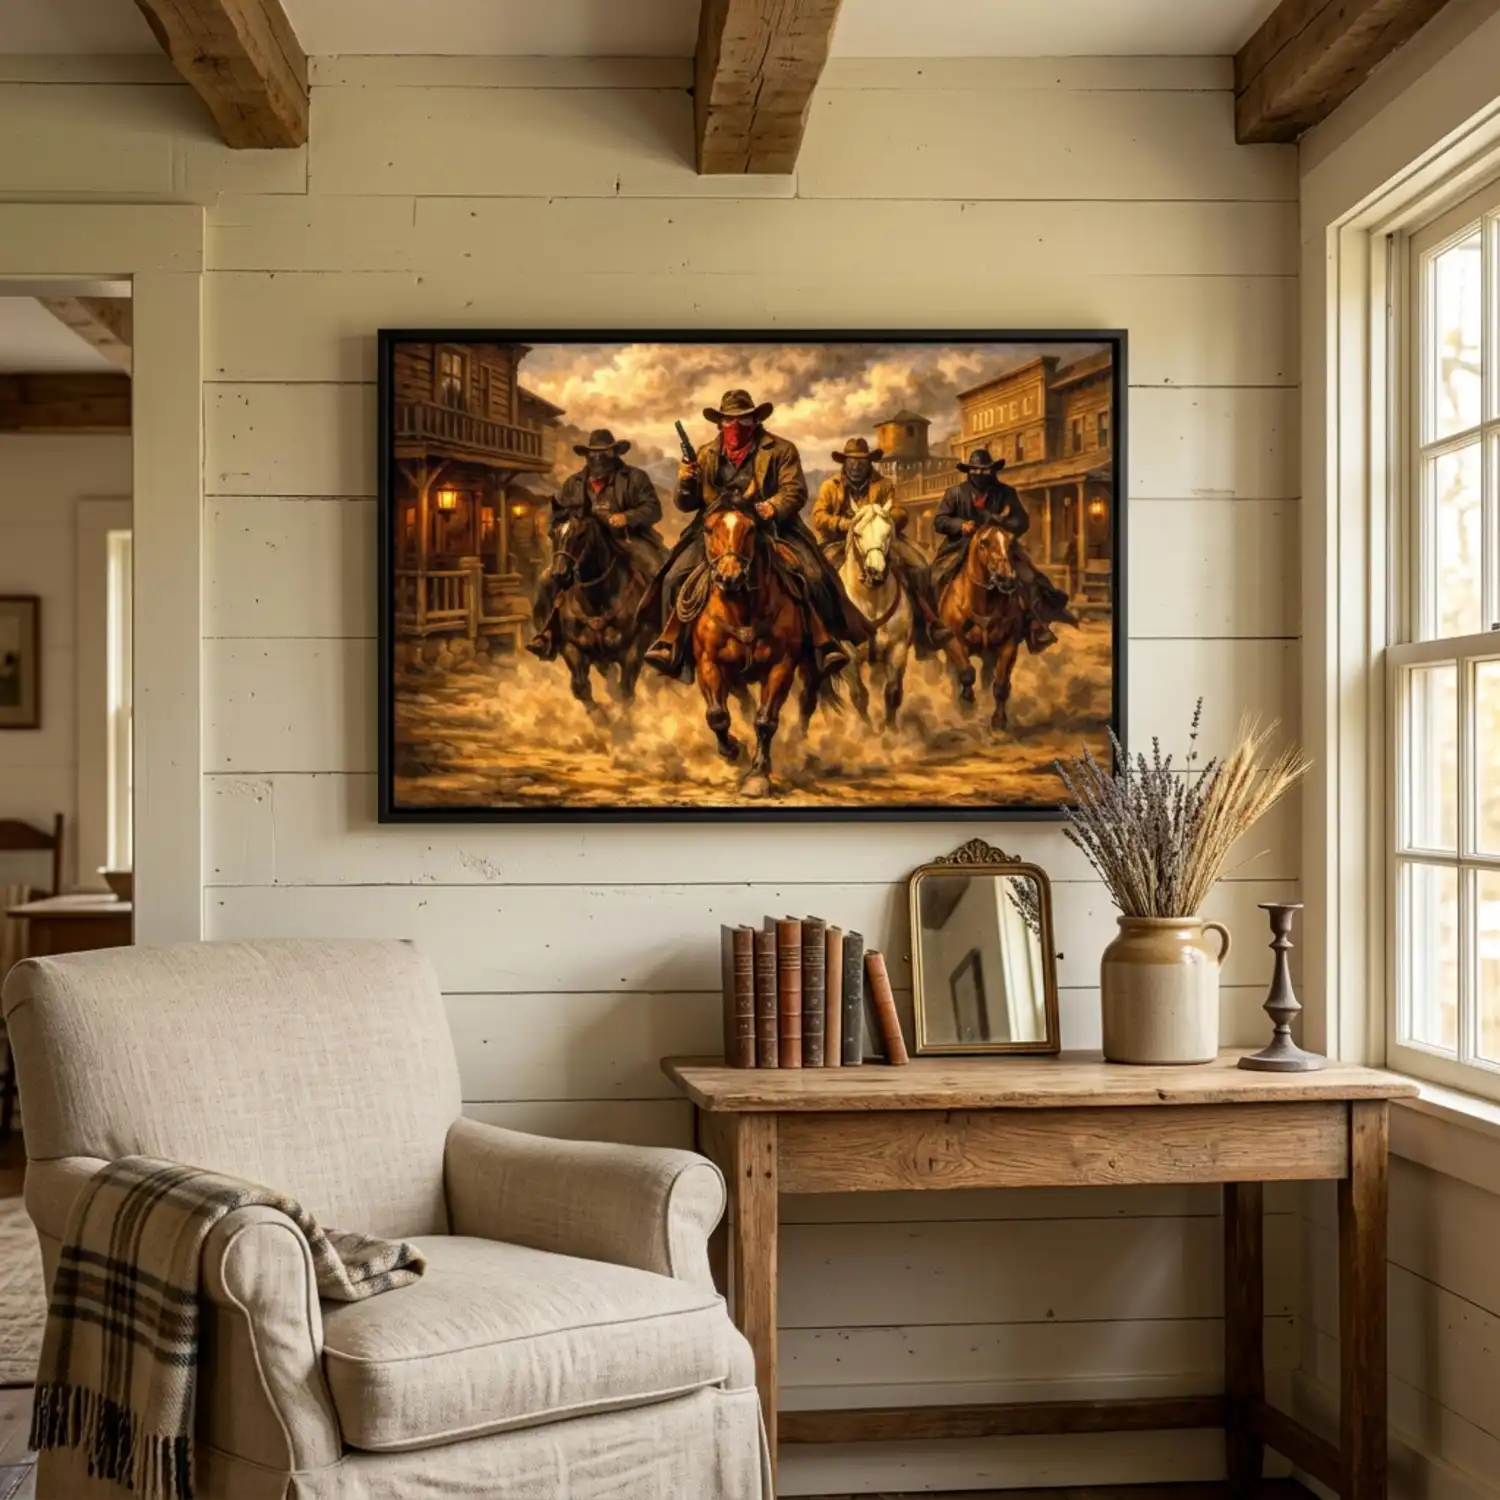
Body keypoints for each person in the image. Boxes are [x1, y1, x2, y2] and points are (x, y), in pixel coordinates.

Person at [640, 389, 871, 678]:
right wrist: (686, 482)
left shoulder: (781, 450)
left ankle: (823, 644)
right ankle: (672, 645)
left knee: (813, 576)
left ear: (755, 420)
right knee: (674, 577)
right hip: (717, 530)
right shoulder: (705, 454)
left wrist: (772, 507)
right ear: (720, 423)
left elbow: (795, 490)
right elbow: (686, 504)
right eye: (729, 420)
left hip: (772, 527)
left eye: (744, 420)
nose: (736, 426)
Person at [527, 429, 667, 661]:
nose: (598, 458)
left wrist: (626, 517)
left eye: (604, 453)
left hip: (628, 539)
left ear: (614, 454)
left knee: (658, 570)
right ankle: (547, 634)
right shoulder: (574, 483)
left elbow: (653, 510)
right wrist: (560, 531)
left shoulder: (634, 478)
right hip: (582, 545)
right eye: (593, 454)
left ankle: (666, 638)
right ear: (587, 456)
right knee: (547, 579)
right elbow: (557, 515)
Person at [812, 436, 951, 648]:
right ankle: (821, 633)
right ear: (844, 462)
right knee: (817, 576)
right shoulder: (830, 487)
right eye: (852, 461)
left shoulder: (884, 485)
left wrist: (882, 519)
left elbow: (900, 512)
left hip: (880, 540)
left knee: (921, 567)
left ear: (869, 463)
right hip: (840, 541)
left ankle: (928, 625)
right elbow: (819, 515)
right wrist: (843, 524)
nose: (856, 467)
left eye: (861, 462)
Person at [932, 448, 1076, 651]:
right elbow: (940, 521)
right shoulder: (954, 493)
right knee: (934, 576)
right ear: (969, 471)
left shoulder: (1006, 493)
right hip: (961, 545)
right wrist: (961, 525)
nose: (980, 474)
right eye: (976, 470)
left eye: (985, 470)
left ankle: (1036, 625)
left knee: (1030, 578)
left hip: (1000, 547)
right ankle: (936, 625)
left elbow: (1022, 521)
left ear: (992, 471)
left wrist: (1001, 522)